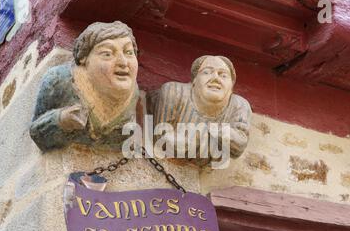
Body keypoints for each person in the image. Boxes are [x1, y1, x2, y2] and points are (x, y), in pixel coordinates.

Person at [30, 21, 141, 152]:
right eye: (107, 54)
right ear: (84, 58)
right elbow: (37, 133)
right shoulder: (59, 80)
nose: (123, 62)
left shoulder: (133, 92)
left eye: (129, 52)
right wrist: (61, 119)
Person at [148, 55, 252, 164]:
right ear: (194, 80)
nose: (215, 78)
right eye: (207, 72)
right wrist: (215, 136)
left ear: (231, 86)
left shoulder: (239, 105)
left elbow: (238, 146)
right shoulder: (174, 92)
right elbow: (163, 140)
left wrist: (198, 136)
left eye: (223, 75)